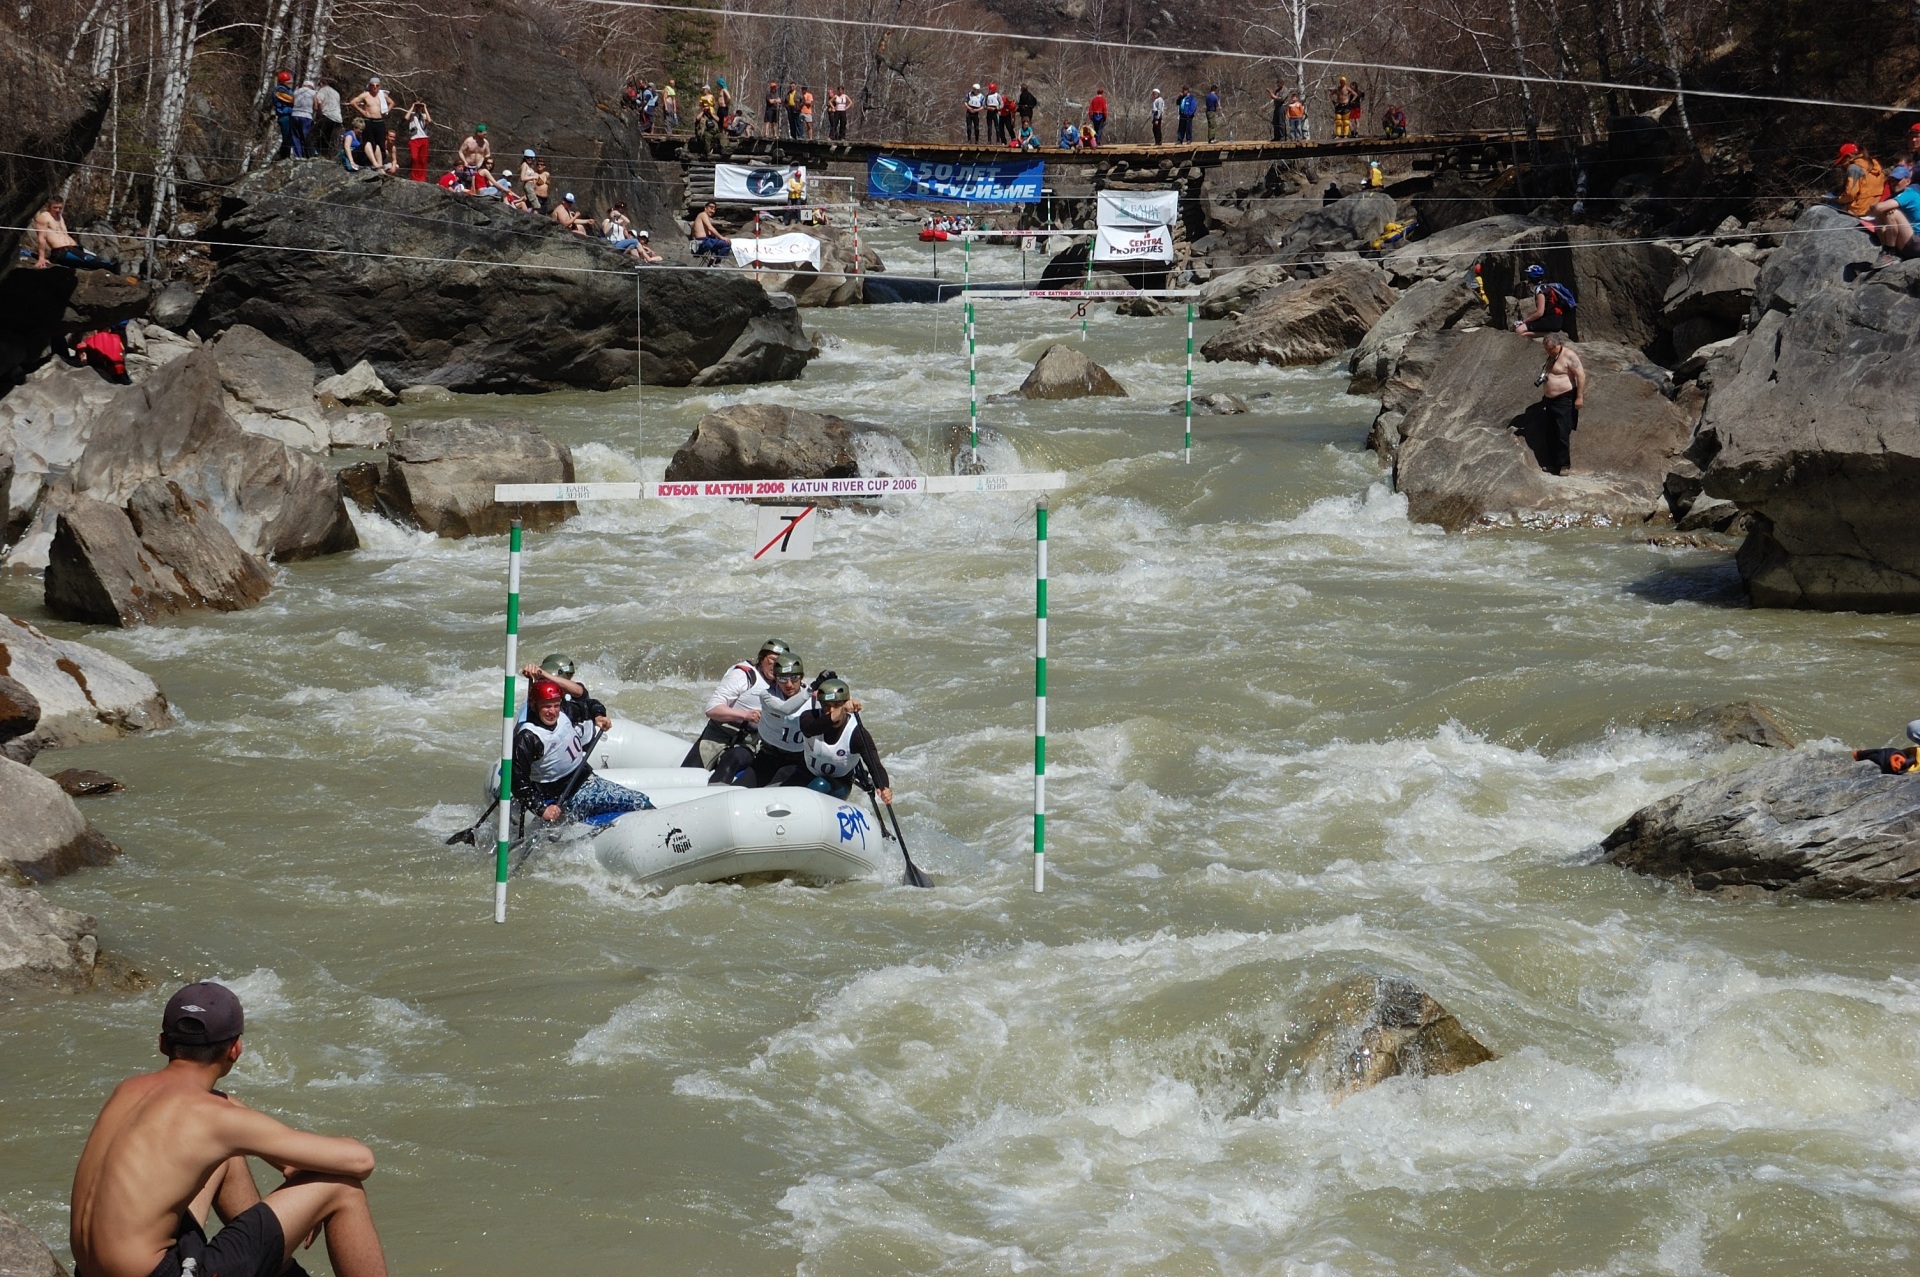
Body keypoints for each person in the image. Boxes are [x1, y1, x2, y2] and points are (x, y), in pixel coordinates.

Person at [70, 980, 389, 1277]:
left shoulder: (127, 1090)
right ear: (235, 1049)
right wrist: (306, 1170)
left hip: (92, 1272)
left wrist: (289, 1164)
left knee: (226, 1157)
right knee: (342, 1188)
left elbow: (221, 1110)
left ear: (163, 1043)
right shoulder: (216, 1119)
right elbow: (361, 1161)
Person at [513, 679, 653, 823]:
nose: (553, 712)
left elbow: (590, 704)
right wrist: (542, 810)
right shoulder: (527, 738)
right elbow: (516, 781)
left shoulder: (564, 712)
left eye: (556, 705)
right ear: (534, 706)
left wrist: (599, 716)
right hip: (565, 797)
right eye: (546, 706)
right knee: (640, 802)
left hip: (587, 780)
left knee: (643, 800)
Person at [682, 639, 793, 770]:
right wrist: (746, 715)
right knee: (688, 771)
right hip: (719, 734)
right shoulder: (743, 675)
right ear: (762, 658)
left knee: (733, 759)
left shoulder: (787, 684)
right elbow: (712, 709)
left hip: (749, 742)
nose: (776, 666)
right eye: (772, 660)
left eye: (780, 662)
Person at [722, 654, 814, 788]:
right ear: (775, 679)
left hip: (797, 760)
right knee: (739, 790)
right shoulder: (767, 695)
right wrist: (811, 690)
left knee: (775, 786)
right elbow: (785, 709)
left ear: (801, 677)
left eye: (794, 678)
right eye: (782, 679)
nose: (789, 684)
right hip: (768, 755)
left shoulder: (815, 700)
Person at [796, 678, 892, 803]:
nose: (831, 711)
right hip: (807, 773)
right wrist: (840, 711)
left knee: (820, 784)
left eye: (837, 705)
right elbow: (812, 729)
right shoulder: (808, 717)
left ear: (845, 704)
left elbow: (874, 765)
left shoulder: (857, 733)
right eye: (826, 706)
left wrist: (883, 787)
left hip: (840, 783)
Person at [1525, 333, 1586, 475]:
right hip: (1550, 400)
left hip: (1564, 399)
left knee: (1562, 432)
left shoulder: (1569, 356)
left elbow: (1581, 375)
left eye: (1551, 349)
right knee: (1550, 432)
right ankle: (1553, 464)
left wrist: (1579, 397)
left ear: (1558, 344)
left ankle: (1564, 465)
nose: (1549, 351)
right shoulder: (1551, 356)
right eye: (1546, 349)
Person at [30, 197, 116, 270]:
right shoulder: (44, 216)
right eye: (55, 207)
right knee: (90, 260)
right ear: (49, 206)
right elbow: (41, 238)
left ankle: (112, 267)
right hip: (61, 252)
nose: (58, 210)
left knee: (96, 258)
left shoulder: (60, 217)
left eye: (60, 208)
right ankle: (112, 267)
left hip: (75, 249)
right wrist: (41, 258)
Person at [1867, 164, 1920, 264]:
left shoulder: (1908, 194)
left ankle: (1890, 252)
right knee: (1882, 214)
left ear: (1908, 181)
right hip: (1911, 241)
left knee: (1892, 214)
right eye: (1891, 180)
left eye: (1897, 180)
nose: (1893, 183)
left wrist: (1878, 207)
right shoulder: (1898, 195)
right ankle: (1889, 251)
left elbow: (1878, 207)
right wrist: (1878, 207)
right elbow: (1873, 210)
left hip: (1916, 242)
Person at [1512, 263, 1576, 337]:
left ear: (1531, 278)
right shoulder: (1548, 287)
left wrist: (1523, 321)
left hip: (1551, 321)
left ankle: (1549, 334)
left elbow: (1540, 313)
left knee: (1519, 330)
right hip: (1556, 320)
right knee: (1523, 332)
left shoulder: (1540, 290)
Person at [1831, 142, 1888, 217]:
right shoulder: (1874, 165)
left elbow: (1850, 195)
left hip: (1859, 209)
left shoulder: (1854, 168)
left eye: (1842, 161)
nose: (1842, 164)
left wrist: (1838, 199)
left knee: (1831, 204)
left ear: (1849, 156)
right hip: (1875, 206)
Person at [349, 78, 392, 172]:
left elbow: (392, 103)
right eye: (373, 85)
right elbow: (353, 102)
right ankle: (373, 163)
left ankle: (380, 166)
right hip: (369, 120)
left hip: (379, 121)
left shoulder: (382, 95)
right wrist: (362, 112)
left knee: (380, 145)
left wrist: (386, 111)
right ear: (369, 85)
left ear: (379, 86)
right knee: (370, 143)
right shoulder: (366, 95)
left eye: (377, 85)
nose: (375, 87)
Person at [66, 323, 131, 384]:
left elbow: (84, 357)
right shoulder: (116, 337)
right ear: (109, 330)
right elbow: (123, 352)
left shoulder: (90, 339)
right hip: (118, 370)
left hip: (100, 371)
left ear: (96, 331)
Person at [312, 77, 342, 161]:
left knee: (311, 137)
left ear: (321, 84)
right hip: (338, 118)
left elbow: (319, 103)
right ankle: (328, 158)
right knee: (328, 139)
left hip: (327, 116)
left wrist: (319, 114)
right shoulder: (336, 93)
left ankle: (309, 157)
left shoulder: (322, 90)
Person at [690, 200, 729, 265]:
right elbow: (710, 228)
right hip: (703, 241)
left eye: (714, 209)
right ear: (705, 208)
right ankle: (717, 262)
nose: (713, 211)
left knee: (716, 242)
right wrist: (721, 237)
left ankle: (712, 260)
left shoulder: (702, 216)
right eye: (711, 208)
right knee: (727, 243)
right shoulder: (703, 214)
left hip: (705, 240)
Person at [271, 70, 296, 160]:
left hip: (289, 116)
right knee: (286, 138)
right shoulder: (279, 90)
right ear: (283, 82)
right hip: (284, 116)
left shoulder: (287, 90)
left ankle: (285, 156)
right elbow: (291, 99)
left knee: (289, 137)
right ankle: (284, 157)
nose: (290, 83)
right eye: (288, 82)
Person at [405, 101, 432, 181]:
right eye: (418, 106)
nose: (418, 108)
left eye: (420, 106)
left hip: (424, 138)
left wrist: (425, 108)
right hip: (414, 139)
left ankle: (422, 178)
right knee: (414, 158)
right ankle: (414, 177)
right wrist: (412, 106)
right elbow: (406, 118)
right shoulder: (412, 115)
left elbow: (429, 120)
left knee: (423, 159)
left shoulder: (424, 116)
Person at [291, 79, 315, 158]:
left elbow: (292, 102)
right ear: (311, 87)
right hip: (306, 116)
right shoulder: (313, 93)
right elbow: (315, 106)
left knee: (296, 136)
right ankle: (307, 156)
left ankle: (298, 156)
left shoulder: (296, 92)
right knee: (306, 137)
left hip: (295, 115)